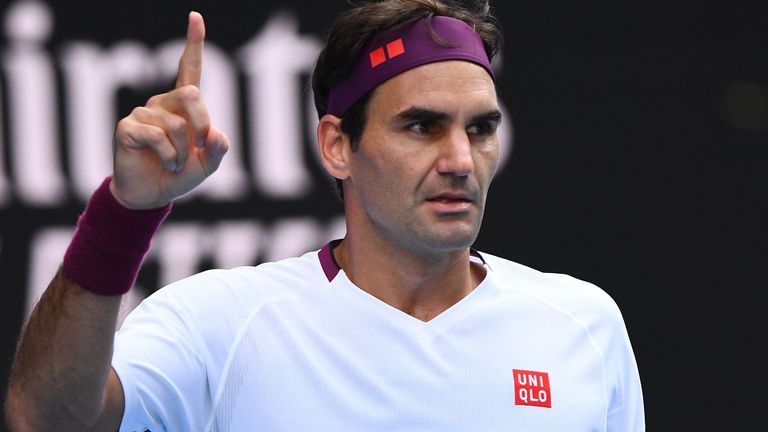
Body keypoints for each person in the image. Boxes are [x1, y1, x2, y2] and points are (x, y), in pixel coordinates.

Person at [4, 0, 645, 430]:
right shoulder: (217, 324)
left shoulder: (584, 324)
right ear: (337, 145)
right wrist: (123, 214)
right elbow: (43, 420)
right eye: (421, 126)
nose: (460, 160)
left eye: (480, 129)